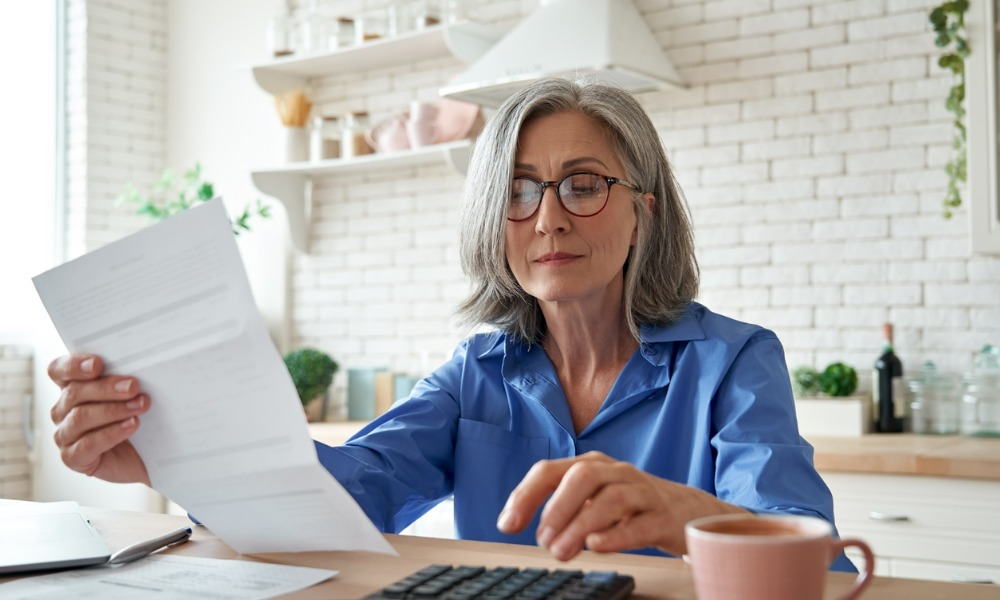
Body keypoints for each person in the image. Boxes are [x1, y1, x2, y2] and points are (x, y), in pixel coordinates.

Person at [47, 78, 855, 571]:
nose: (547, 219)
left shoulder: (733, 362)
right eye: (518, 189)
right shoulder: (476, 374)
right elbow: (345, 496)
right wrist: (168, 452)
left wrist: (683, 515)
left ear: (642, 212)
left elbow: (810, 553)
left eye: (582, 185)